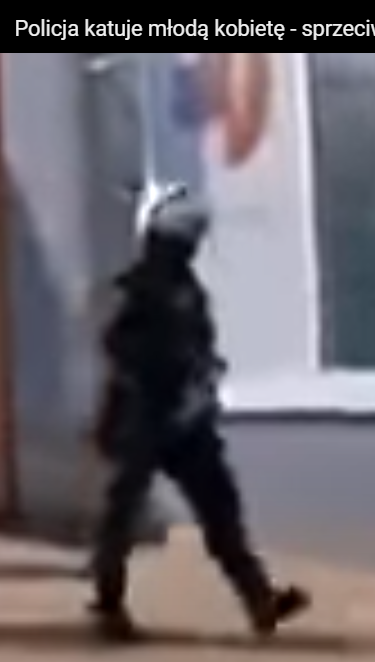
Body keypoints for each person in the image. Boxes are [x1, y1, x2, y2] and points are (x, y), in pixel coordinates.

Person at [88, 181, 309, 641]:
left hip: (187, 418)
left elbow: (200, 343)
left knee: (219, 507)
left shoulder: (189, 291)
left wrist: (203, 371)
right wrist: (158, 373)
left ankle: (260, 599)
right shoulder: (136, 289)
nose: (184, 249)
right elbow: (118, 347)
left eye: (188, 242)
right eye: (177, 240)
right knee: (121, 512)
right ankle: (108, 604)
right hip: (144, 415)